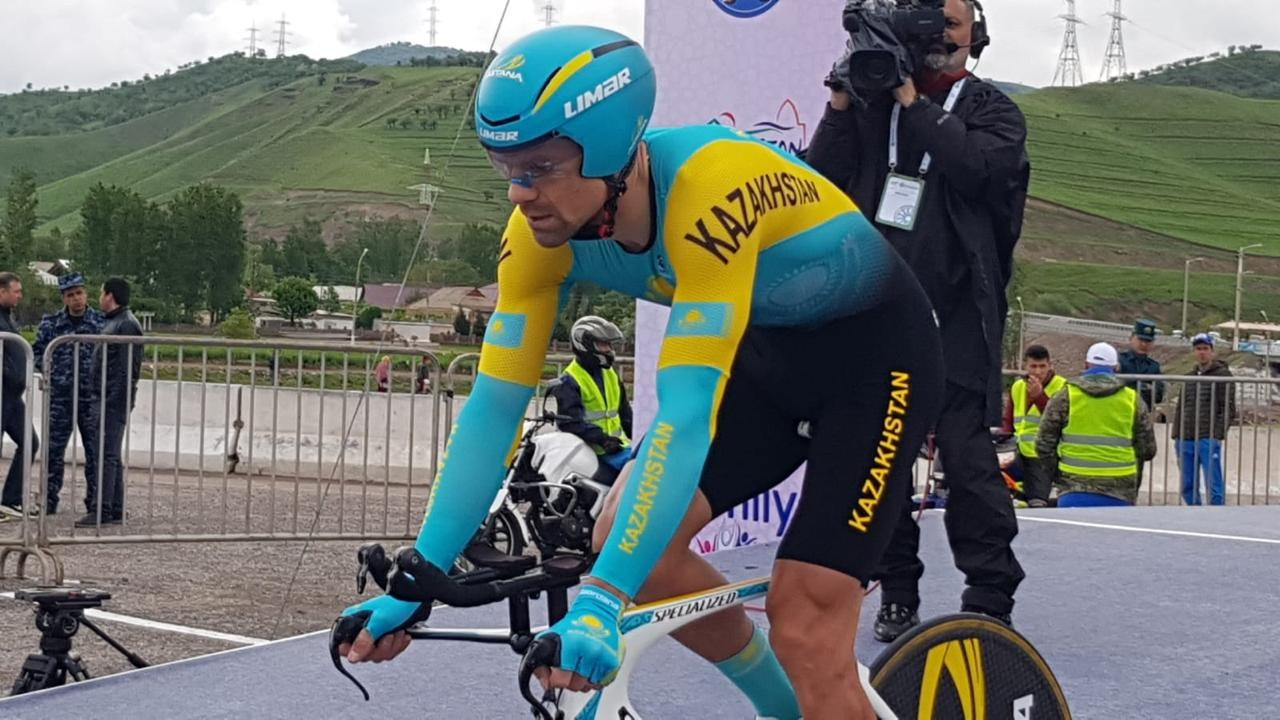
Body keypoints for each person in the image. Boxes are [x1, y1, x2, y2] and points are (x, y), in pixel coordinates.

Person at [336, 25, 944, 719]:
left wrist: (602, 601)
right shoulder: (538, 236)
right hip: (770, 358)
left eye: (541, 166)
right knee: (630, 547)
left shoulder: (711, 190)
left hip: (878, 367)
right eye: (507, 168)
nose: (520, 193)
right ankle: (786, 710)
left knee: (804, 619)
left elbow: (685, 416)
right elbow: (493, 410)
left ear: (609, 150)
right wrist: (420, 576)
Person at [806, 0, 1029, 640]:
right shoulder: (873, 109)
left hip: (957, 315)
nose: (938, 34)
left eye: (950, 23)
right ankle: (897, 590)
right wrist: (842, 99)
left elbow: (977, 170)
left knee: (967, 458)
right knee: (878, 460)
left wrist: (912, 100)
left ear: (975, 36)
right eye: (927, 23)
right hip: (876, 310)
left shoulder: (992, 110)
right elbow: (819, 179)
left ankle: (989, 592)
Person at [1035, 342, 1156, 507]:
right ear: (1116, 367)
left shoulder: (1065, 396)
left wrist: (1058, 475)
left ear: (1086, 365)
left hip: (1073, 487)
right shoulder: (1132, 399)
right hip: (1120, 489)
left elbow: (1043, 445)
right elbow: (1147, 450)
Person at [32, 272, 104, 515]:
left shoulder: (100, 323)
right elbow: (38, 353)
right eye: (70, 295)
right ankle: (47, 501)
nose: (76, 299)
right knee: (53, 451)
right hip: (60, 398)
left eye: (79, 293)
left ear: (86, 293)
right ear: (64, 298)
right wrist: (51, 370)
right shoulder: (51, 324)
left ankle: (96, 503)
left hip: (90, 398)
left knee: (95, 451)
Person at [77, 277, 143, 527]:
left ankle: (101, 510)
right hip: (106, 398)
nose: (99, 297)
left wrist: (113, 399)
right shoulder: (116, 322)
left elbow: (127, 369)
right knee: (109, 454)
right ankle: (114, 508)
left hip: (111, 400)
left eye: (101, 293)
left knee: (105, 455)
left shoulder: (125, 325)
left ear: (110, 295)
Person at [548, 316, 633, 485]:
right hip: (592, 450)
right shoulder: (569, 381)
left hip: (617, 447)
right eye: (603, 345)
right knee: (638, 473)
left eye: (609, 345)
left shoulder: (610, 375)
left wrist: (644, 438)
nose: (609, 350)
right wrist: (603, 439)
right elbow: (570, 423)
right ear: (585, 345)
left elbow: (626, 414)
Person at [1171, 333, 1235, 506]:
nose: (1202, 352)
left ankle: (1216, 514)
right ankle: (1194, 512)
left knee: (1213, 483)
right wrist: (1177, 434)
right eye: (1198, 349)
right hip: (1186, 437)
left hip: (1208, 436)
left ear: (1212, 351)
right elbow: (1181, 407)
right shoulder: (1189, 377)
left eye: (1205, 348)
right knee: (1187, 484)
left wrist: (1217, 434)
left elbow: (1228, 408)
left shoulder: (1223, 376)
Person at [1005, 344, 1066, 507]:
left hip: (1045, 455)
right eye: (1033, 366)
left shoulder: (1062, 387)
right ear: (1025, 366)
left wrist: (1039, 397)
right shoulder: (1018, 387)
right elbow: (1008, 423)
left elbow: (1060, 420)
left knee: (1037, 501)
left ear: (1050, 365)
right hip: (1017, 451)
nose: (1038, 372)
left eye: (1042, 366)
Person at [0, 272, 40, 519]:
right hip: (2, 392)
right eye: (16, 291)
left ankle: (10, 499)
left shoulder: (7, 317)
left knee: (29, 442)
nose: (20, 296)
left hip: (12, 396)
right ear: (2, 291)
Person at [1118, 318, 1165, 407]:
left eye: (1148, 341)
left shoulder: (1154, 367)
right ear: (1131, 338)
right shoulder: (1119, 361)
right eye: (1140, 340)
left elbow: (1158, 396)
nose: (1144, 344)